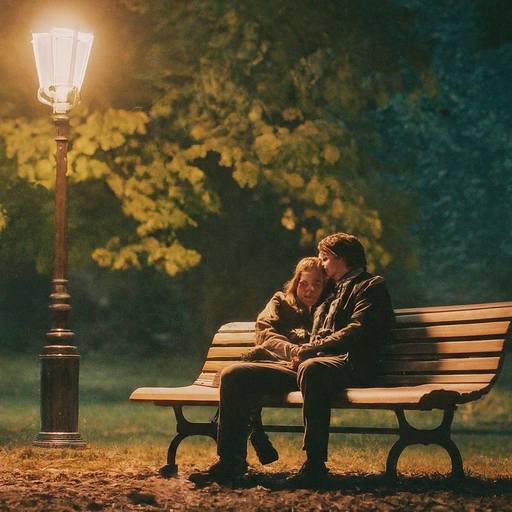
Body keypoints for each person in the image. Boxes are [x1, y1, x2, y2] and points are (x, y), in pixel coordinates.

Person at [189, 233, 395, 488]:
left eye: (325, 258)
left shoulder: (371, 286)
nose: (322, 263)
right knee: (235, 374)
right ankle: (230, 464)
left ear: (340, 259)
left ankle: (314, 467)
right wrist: (298, 352)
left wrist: (310, 349)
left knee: (311, 368)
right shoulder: (332, 290)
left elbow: (357, 329)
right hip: (312, 367)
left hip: (348, 364)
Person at [245, 257, 327, 465]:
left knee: (247, 374)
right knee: (247, 367)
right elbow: (265, 333)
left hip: (308, 374)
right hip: (277, 364)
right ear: (295, 282)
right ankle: (254, 429)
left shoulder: (328, 308)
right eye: (304, 284)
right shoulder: (280, 302)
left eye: (317, 284)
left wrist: (305, 353)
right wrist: (293, 350)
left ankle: (254, 427)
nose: (310, 290)